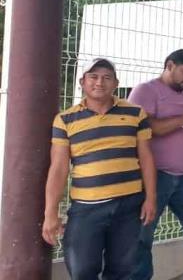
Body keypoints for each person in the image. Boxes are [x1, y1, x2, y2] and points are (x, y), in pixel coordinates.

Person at [43, 59, 157, 280]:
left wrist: (151, 197)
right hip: (86, 209)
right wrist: (50, 213)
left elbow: (146, 157)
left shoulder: (135, 114)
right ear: (82, 82)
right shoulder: (65, 120)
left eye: (106, 77)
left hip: (129, 205)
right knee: (82, 270)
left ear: (116, 83)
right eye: (93, 77)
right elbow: (58, 168)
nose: (99, 82)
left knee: (122, 270)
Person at [130, 49, 183, 280]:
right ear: (169, 65)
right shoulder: (145, 91)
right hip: (153, 175)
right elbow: (146, 128)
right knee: (142, 234)